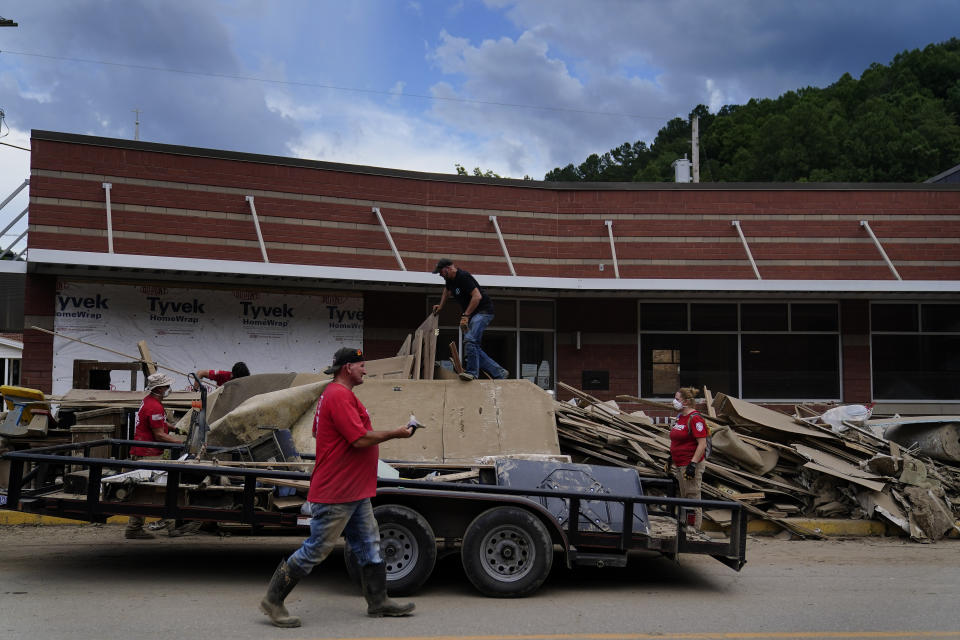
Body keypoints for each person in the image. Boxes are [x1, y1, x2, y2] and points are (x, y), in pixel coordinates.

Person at [259, 347, 416, 628]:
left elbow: (323, 433)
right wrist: (396, 433)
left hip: (354, 490)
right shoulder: (338, 395)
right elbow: (358, 439)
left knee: (370, 544)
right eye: (361, 365)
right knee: (316, 549)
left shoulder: (337, 395)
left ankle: (378, 601)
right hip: (338, 491)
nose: (365, 370)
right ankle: (273, 600)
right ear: (348, 368)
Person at [125, 372, 185, 540]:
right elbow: (159, 435)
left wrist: (174, 429)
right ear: (159, 388)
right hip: (148, 454)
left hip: (143, 452)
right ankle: (138, 528)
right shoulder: (155, 406)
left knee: (149, 492)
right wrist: (180, 444)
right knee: (156, 491)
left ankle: (163, 526)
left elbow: (158, 424)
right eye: (166, 386)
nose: (169, 389)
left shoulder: (149, 401)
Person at [431, 258, 508, 381]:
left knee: (470, 340)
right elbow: (446, 292)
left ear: (448, 268)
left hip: (484, 312)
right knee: (474, 347)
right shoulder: (450, 280)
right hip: (473, 315)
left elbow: (477, 297)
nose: (440, 275)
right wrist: (441, 306)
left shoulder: (463, 277)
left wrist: (465, 315)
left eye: (440, 272)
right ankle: (499, 372)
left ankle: (472, 373)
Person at [668, 386, 708, 533]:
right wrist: (670, 457)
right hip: (679, 463)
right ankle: (685, 528)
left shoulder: (695, 418)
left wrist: (693, 464)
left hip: (690, 464)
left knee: (692, 496)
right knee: (684, 496)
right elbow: (677, 440)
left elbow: (702, 443)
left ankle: (694, 530)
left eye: (677, 399)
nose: (674, 401)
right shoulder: (680, 418)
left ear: (685, 401)